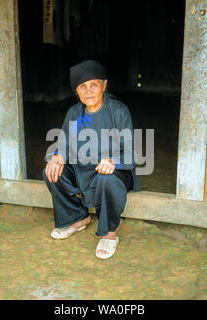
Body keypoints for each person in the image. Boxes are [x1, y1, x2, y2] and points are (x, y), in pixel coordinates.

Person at [43, 60, 140, 259]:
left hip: (116, 173)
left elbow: (131, 154)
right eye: (82, 87)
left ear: (104, 85)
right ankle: (77, 218)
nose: (88, 91)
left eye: (94, 85)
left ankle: (109, 234)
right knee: (52, 171)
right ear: (76, 92)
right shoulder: (73, 113)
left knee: (107, 178)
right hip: (83, 170)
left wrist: (113, 161)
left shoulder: (118, 111)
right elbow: (63, 144)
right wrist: (58, 156)